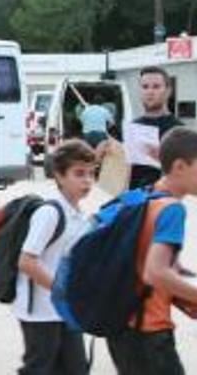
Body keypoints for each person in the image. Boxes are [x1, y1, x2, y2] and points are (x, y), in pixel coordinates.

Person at [106, 127, 197, 375]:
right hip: (149, 334)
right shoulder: (171, 210)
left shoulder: (146, 197)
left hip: (123, 328)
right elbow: (155, 273)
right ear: (179, 167)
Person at [15, 140, 95, 375]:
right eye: (79, 173)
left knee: (76, 369)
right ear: (59, 176)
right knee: (39, 369)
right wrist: (63, 289)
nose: (87, 180)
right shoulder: (50, 213)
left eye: (91, 173)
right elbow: (26, 261)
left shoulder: (80, 216)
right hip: (39, 311)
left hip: (65, 310)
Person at [128, 66, 182, 189]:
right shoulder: (133, 126)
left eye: (156, 87)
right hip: (135, 203)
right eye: (145, 87)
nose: (150, 91)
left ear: (168, 91)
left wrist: (163, 160)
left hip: (165, 203)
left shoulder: (179, 131)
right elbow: (126, 171)